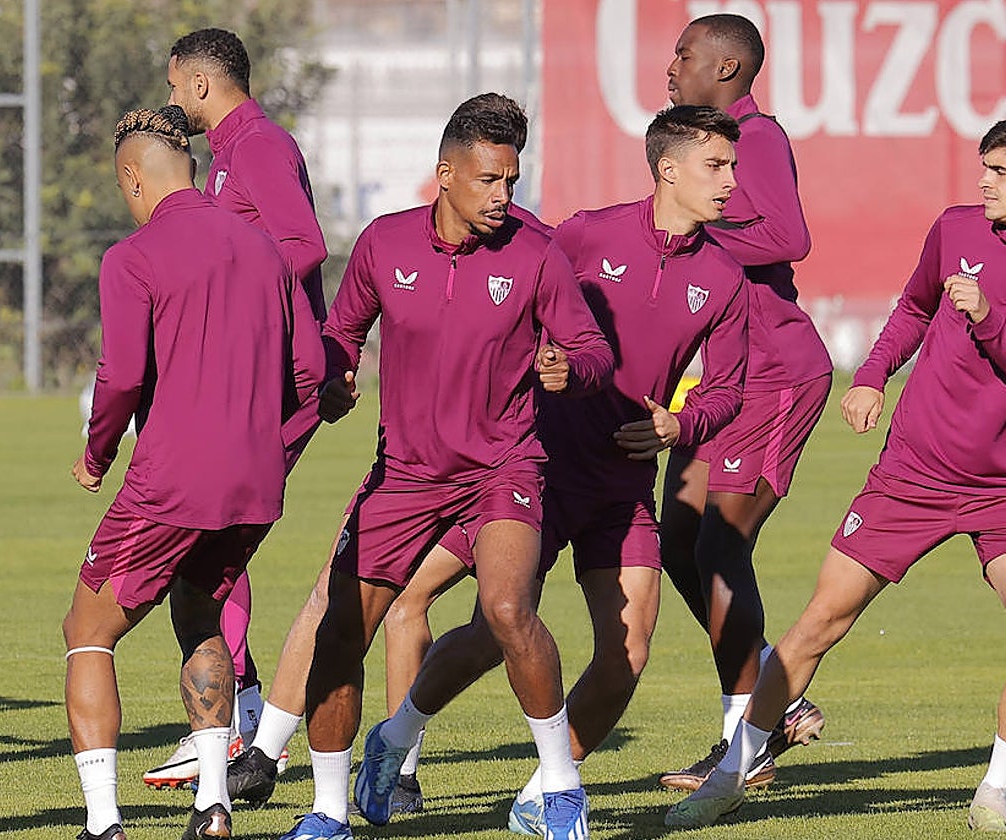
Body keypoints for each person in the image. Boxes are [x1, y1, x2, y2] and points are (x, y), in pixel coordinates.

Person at [359, 104, 750, 837]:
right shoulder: (583, 235)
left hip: (624, 487)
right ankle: (396, 738)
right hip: (532, 469)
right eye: (717, 166)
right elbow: (506, 277)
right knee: (489, 631)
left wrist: (679, 423)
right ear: (668, 169)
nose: (731, 182)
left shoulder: (725, 280)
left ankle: (545, 791)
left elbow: (729, 388)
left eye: (732, 167)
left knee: (626, 652)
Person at [666, 112, 1006, 832]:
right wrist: (871, 375)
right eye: (983, 168)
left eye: (999, 172)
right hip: (914, 472)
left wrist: (990, 318)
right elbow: (916, 307)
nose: (982, 182)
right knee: (817, 625)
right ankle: (730, 778)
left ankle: (994, 792)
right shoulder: (955, 229)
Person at [277, 92, 613, 840]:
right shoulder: (382, 244)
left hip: (503, 467)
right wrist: (335, 373)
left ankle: (560, 788)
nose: (503, 196)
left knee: (505, 610)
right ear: (445, 175)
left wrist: (571, 369)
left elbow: (593, 350)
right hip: (404, 472)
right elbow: (342, 330)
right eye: (489, 179)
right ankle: (329, 809)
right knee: (341, 632)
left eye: (512, 181)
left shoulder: (535, 254)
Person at [63, 106, 294, 840]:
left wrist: (97, 454)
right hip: (255, 483)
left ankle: (103, 824)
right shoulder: (264, 250)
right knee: (199, 616)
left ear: (132, 178)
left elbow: (122, 374)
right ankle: (213, 806)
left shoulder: (133, 256)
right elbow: (310, 370)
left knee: (89, 630)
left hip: (172, 481)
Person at [142, 26, 329, 789]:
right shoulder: (233, 152)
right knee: (205, 531)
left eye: (172, 84)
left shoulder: (255, 146)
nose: (170, 98)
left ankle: (232, 723)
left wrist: (241, 307)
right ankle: (238, 716)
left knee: (204, 529)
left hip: (271, 376)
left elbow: (304, 245)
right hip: (251, 374)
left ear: (195, 83)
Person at [656, 13, 832, 790]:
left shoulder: (755, 136)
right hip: (727, 380)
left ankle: (742, 745)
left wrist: (695, 232)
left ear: (727, 69)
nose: (671, 66)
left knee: (719, 548)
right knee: (678, 543)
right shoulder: (705, 149)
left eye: (684, 55)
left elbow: (789, 236)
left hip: (779, 374)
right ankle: (776, 702)